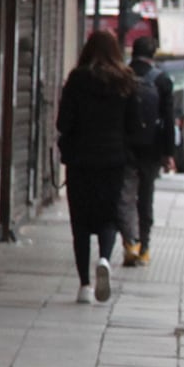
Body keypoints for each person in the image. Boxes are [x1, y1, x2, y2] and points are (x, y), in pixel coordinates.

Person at [58, 28, 140, 301]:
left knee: (80, 222)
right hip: (113, 160)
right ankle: (104, 258)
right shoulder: (126, 81)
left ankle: (84, 286)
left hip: (81, 160)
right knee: (108, 216)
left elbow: (63, 123)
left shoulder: (77, 79)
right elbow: (134, 125)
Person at [122, 33, 177, 268]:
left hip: (123, 147)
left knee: (124, 197)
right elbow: (168, 119)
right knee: (146, 198)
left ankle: (129, 243)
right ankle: (144, 247)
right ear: (153, 55)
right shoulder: (162, 80)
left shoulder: (122, 76)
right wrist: (168, 154)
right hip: (151, 149)